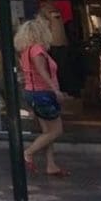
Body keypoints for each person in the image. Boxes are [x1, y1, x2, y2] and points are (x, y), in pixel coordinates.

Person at [15, 18, 69, 177]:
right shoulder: (37, 50)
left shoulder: (25, 51)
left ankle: (51, 165)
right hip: (42, 93)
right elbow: (42, 71)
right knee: (56, 130)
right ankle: (29, 152)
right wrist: (55, 90)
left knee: (47, 131)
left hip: (32, 93)